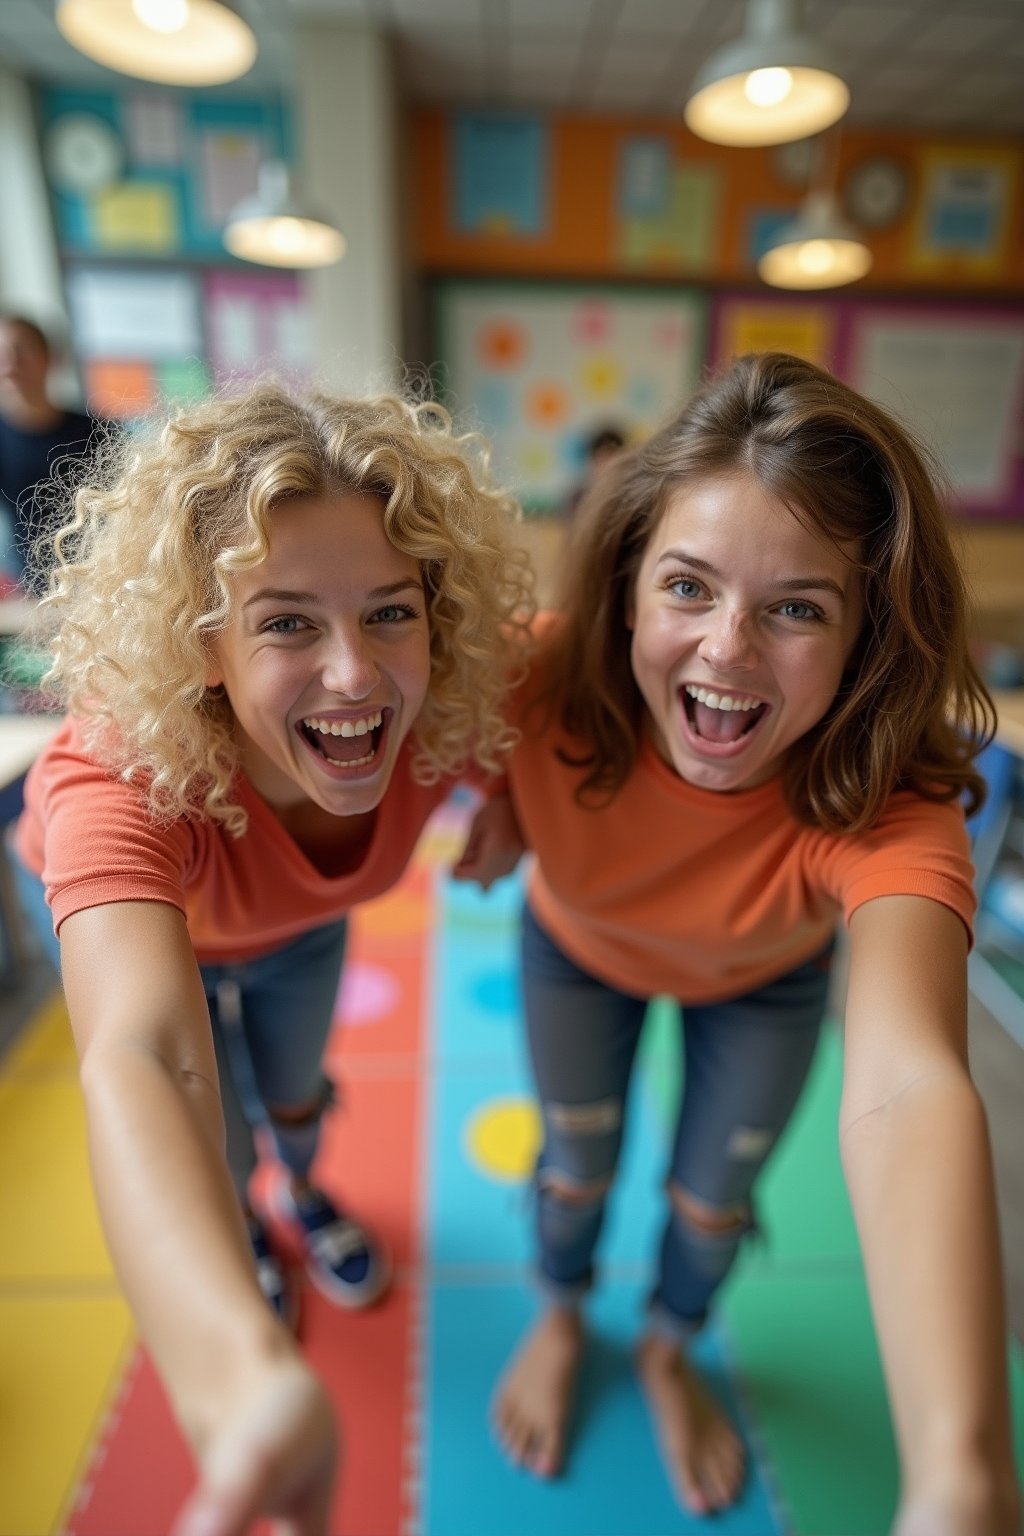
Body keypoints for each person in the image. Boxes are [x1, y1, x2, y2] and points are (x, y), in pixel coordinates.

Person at [479, 352, 1020, 1533]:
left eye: (795, 609)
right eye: (687, 588)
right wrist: (491, 806)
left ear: (864, 635)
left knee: (712, 1194)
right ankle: (562, 1313)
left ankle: (671, 1351)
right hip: (577, 955)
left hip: (762, 988)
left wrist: (961, 1477)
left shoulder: (887, 795)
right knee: (574, 1160)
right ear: (625, 586)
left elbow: (910, 1083)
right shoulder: (528, 677)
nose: (726, 648)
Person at [11, 380, 533, 1536]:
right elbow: (143, 1059)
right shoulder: (117, 782)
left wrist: (521, 802)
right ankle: (251, 1226)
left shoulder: (437, 698)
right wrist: (236, 1373)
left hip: (295, 922)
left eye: (391, 613)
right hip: (157, 931)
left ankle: (305, 1194)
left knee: (294, 1086)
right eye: (287, 620)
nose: (354, 673)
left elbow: (616, 670)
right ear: (204, 641)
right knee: (217, 1122)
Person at [0, 313, 100, 587]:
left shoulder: (96, 433)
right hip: (27, 595)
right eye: (2, 355)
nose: (10, 365)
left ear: (48, 358)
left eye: (20, 351)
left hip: (101, 580)